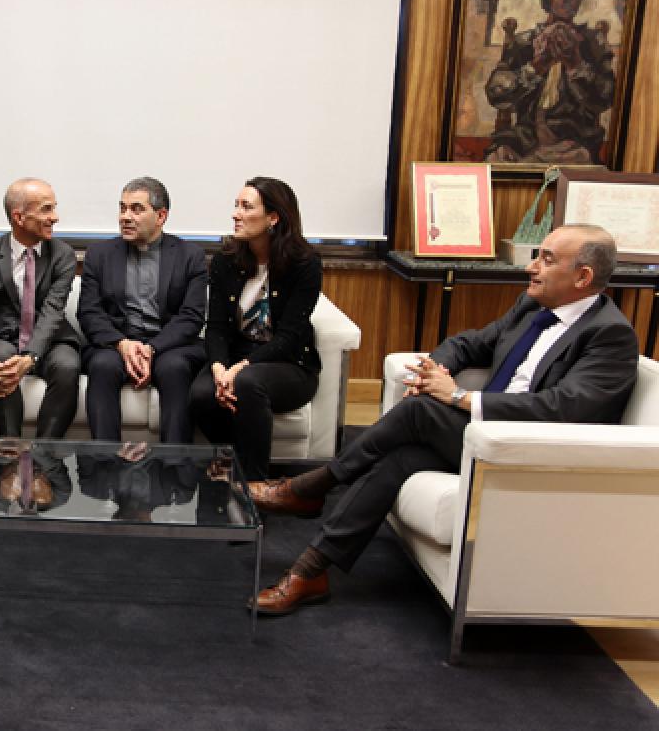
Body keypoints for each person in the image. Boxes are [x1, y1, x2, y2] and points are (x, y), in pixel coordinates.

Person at [249, 224, 638, 615]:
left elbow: (563, 408)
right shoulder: (532, 306)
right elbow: (468, 343)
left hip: (528, 451)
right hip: (482, 435)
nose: (532, 267)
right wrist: (434, 372)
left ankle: (313, 485)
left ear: (583, 276)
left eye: (547, 259)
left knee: (418, 411)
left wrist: (459, 397)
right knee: (398, 459)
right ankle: (310, 571)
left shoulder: (609, 336)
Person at [188, 176, 322, 482]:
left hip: (289, 364)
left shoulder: (305, 264)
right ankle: (229, 461)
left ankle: (255, 485)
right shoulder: (226, 260)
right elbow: (217, 327)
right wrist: (220, 367)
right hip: (237, 358)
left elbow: (290, 337)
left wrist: (240, 369)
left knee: (248, 383)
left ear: (273, 217)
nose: (236, 213)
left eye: (246, 206)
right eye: (236, 205)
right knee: (200, 394)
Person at [77, 177, 207, 443]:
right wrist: (122, 344)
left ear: (161, 216)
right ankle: (105, 464)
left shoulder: (189, 255)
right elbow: (89, 312)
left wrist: (151, 348)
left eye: (136, 209)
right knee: (102, 365)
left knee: (174, 368)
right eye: (123, 208)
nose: (125, 216)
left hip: (169, 347)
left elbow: (191, 316)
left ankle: (175, 469)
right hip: (116, 343)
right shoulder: (100, 254)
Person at [0, 178, 81, 438]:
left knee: (68, 366)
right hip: (4, 338)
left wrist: (30, 357)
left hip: (52, 340)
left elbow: (53, 311)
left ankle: (44, 454)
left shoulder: (63, 255)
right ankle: (11, 450)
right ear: (19, 217)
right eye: (46, 209)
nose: (55, 217)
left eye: (54, 208)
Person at [485, 0, 615, 165]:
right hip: (523, 139)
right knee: (497, 161)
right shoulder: (524, 43)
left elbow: (605, 97)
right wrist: (536, 67)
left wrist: (576, 65)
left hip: (572, 141)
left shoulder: (593, 42)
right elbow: (497, 94)